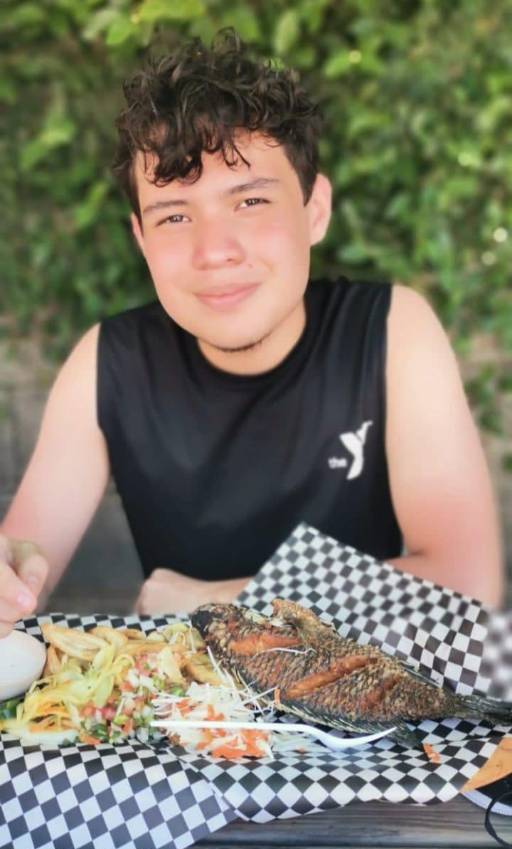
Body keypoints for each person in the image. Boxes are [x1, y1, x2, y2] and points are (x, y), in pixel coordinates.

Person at [0, 29, 504, 638]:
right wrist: (10, 579)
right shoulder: (110, 362)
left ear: (313, 210)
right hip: (190, 719)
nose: (214, 251)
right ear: (141, 239)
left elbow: (467, 581)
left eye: (250, 202)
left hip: (373, 716)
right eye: (176, 216)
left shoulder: (391, 330)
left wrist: (217, 599)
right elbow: (20, 571)